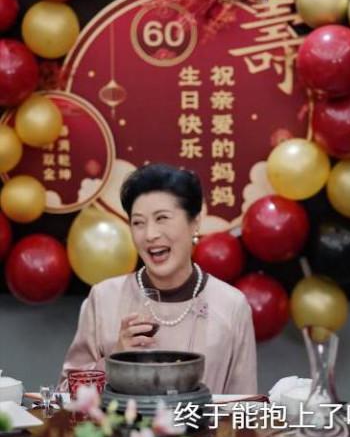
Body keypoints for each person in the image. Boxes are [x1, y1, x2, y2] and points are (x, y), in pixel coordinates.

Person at [60, 163, 257, 394]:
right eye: (138, 223)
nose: (150, 234)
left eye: (162, 218)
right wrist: (114, 359)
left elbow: (246, 406)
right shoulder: (104, 297)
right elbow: (65, 396)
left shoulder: (231, 305)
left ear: (195, 222)